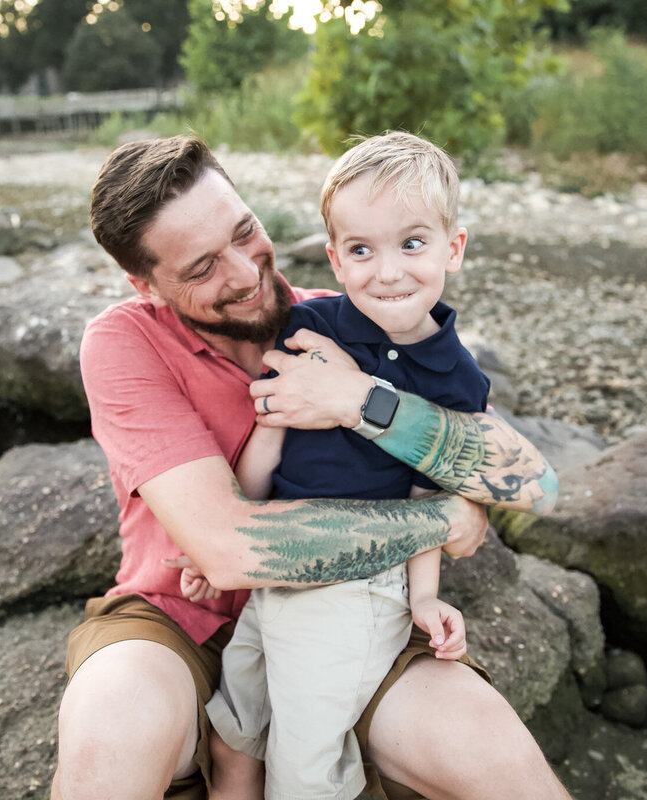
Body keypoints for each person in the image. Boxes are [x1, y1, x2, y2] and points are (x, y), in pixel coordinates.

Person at [54, 133, 568, 800]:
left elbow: (531, 482)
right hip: (180, 620)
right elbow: (231, 552)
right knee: (108, 735)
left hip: (349, 612)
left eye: (245, 232)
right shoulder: (124, 341)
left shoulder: (352, 315)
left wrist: (359, 399)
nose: (243, 273)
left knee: (502, 765)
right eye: (202, 268)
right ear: (146, 285)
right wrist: (438, 518)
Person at [179, 132, 491, 800]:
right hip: (275, 570)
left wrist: (426, 597)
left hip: (354, 588)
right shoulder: (309, 325)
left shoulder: (458, 381)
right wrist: (222, 539)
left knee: (305, 768)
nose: (387, 272)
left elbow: (426, 497)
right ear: (334, 259)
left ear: (453, 249)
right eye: (361, 250)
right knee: (235, 728)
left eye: (413, 243)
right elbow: (267, 439)